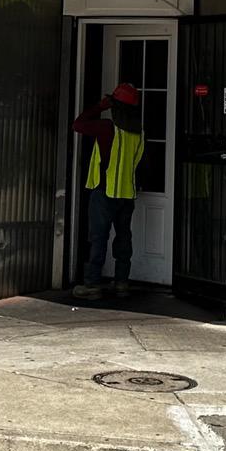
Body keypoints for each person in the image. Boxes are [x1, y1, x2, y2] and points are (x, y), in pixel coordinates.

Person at [72, 81, 144, 298]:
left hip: (104, 192)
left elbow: (78, 124)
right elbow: (142, 164)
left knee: (98, 238)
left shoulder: (106, 128)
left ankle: (92, 284)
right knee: (123, 239)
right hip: (127, 194)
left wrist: (99, 107)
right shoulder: (139, 134)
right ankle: (121, 282)